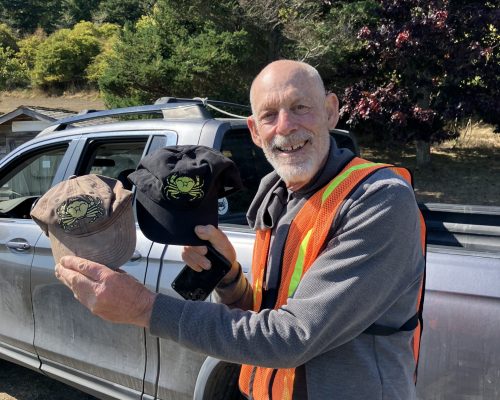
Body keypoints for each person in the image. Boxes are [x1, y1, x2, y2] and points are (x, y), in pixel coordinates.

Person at [55, 60, 425, 399]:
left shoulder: (377, 199)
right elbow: (267, 312)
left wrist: (142, 308)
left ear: (330, 111)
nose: (285, 127)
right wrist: (230, 278)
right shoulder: (280, 196)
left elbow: (292, 337)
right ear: (253, 130)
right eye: (269, 115)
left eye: (300, 107)